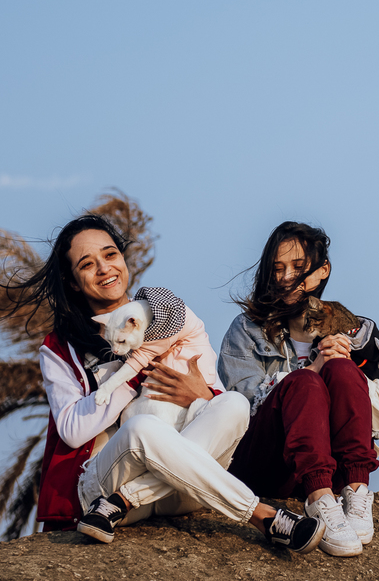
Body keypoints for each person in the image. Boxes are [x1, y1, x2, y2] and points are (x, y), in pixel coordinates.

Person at [21, 213, 324, 552]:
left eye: (110, 255)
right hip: (103, 484)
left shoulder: (167, 315)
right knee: (143, 428)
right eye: (87, 264)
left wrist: (203, 394)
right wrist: (137, 368)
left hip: (178, 487)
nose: (104, 268)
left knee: (235, 404)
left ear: (123, 259)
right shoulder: (58, 348)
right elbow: (73, 430)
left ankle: (126, 500)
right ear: (74, 281)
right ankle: (262, 515)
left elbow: (220, 409)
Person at [218, 222, 379, 557]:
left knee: (342, 369)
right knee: (305, 381)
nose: (287, 277)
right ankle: (320, 502)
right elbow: (239, 403)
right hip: (265, 462)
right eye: (277, 269)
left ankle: (356, 491)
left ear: (323, 271)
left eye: (299, 268)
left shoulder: (355, 329)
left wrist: (348, 366)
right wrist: (313, 368)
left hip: (333, 461)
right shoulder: (247, 329)